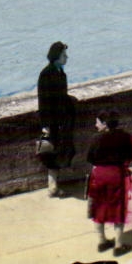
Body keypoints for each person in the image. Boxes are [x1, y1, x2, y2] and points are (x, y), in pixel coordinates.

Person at [86, 111, 132, 254]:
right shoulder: (125, 137)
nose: (95, 125)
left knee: (98, 208)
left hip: (99, 175)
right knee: (118, 209)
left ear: (104, 124)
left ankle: (102, 242)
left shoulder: (95, 139)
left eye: (97, 122)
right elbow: (130, 155)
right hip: (117, 175)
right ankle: (118, 245)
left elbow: (90, 158)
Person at [37, 41, 77, 193]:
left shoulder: (60, 73)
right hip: (53, 121)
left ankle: (54, 185)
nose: (66, 58)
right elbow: (43, 100)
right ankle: (52, 187)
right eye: (64, 55)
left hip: (61, 120)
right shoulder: (46, 74)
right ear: (56, 57)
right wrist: (45, 124)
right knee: (53, 152)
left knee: (60, 150)